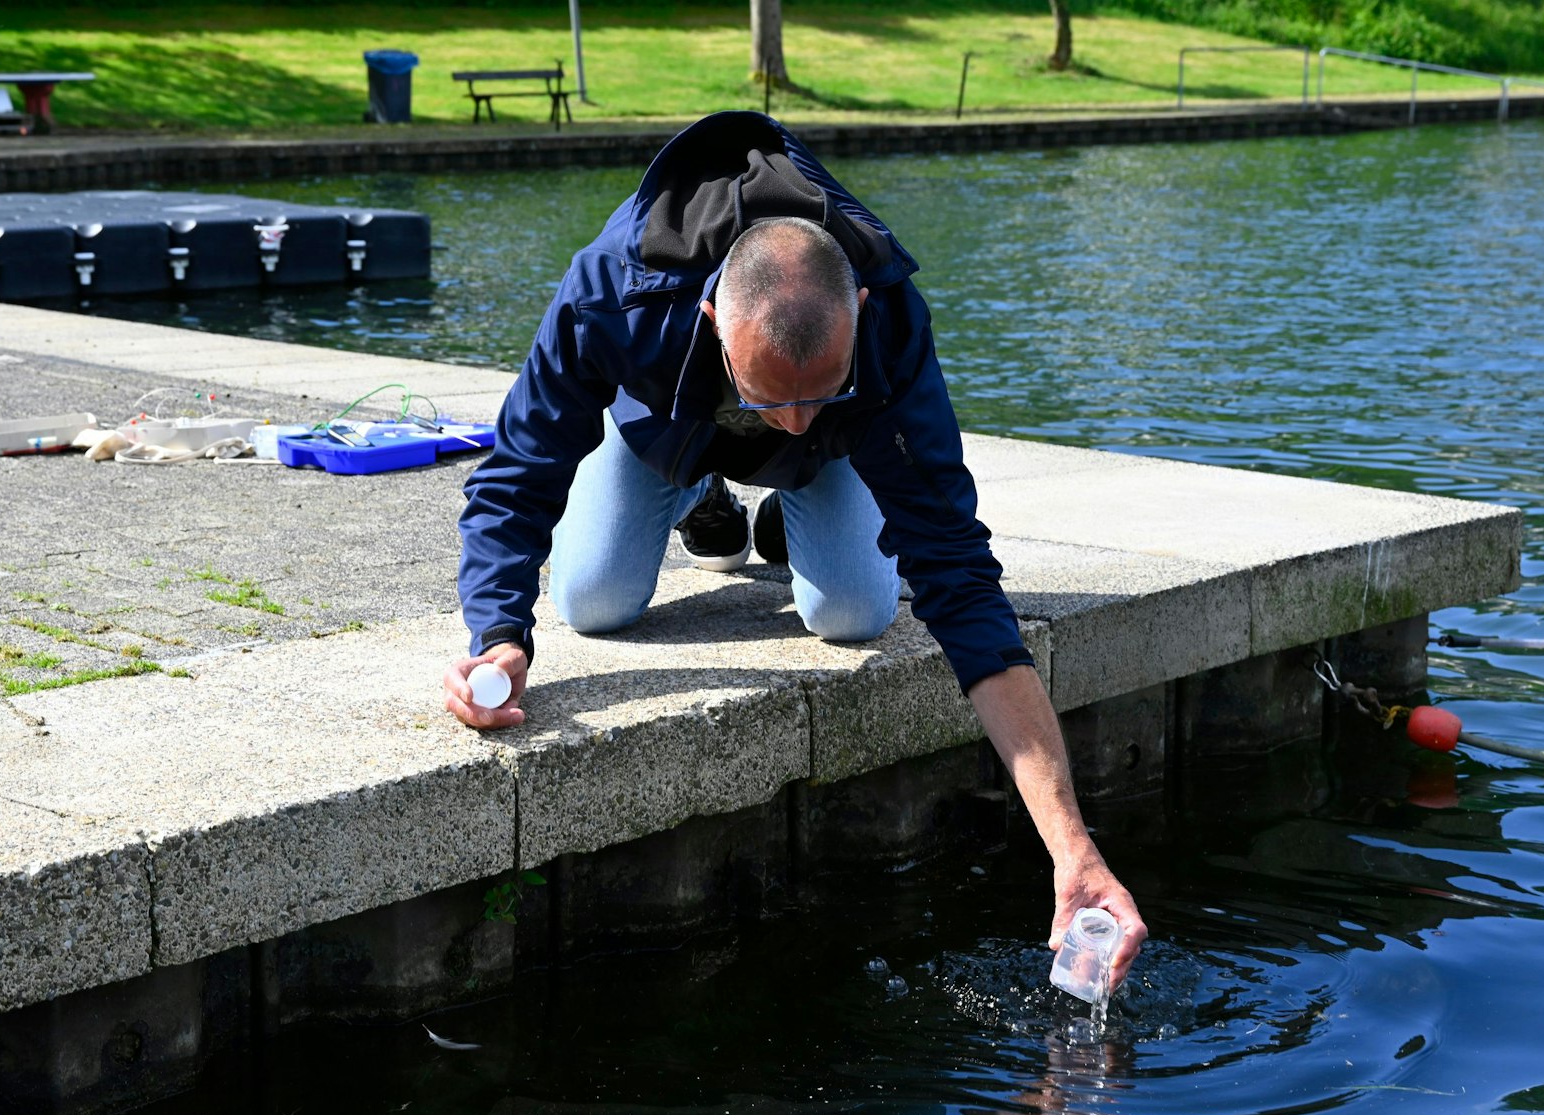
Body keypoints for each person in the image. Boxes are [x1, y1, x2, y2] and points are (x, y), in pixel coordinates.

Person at [442, 111, 1146, 988]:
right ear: (708, 317)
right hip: (664, 438)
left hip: (822, 468)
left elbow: (959, 578)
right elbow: (518, 471)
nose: (795, 413)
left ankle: (783, 516)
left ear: (855, 309)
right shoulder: (615, 289)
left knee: (855, 611)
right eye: (773, 394)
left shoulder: (887, 311)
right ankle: (706, 497)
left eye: (824, 390)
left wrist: (1072, 851)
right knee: (592, 602)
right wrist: (497, 631)